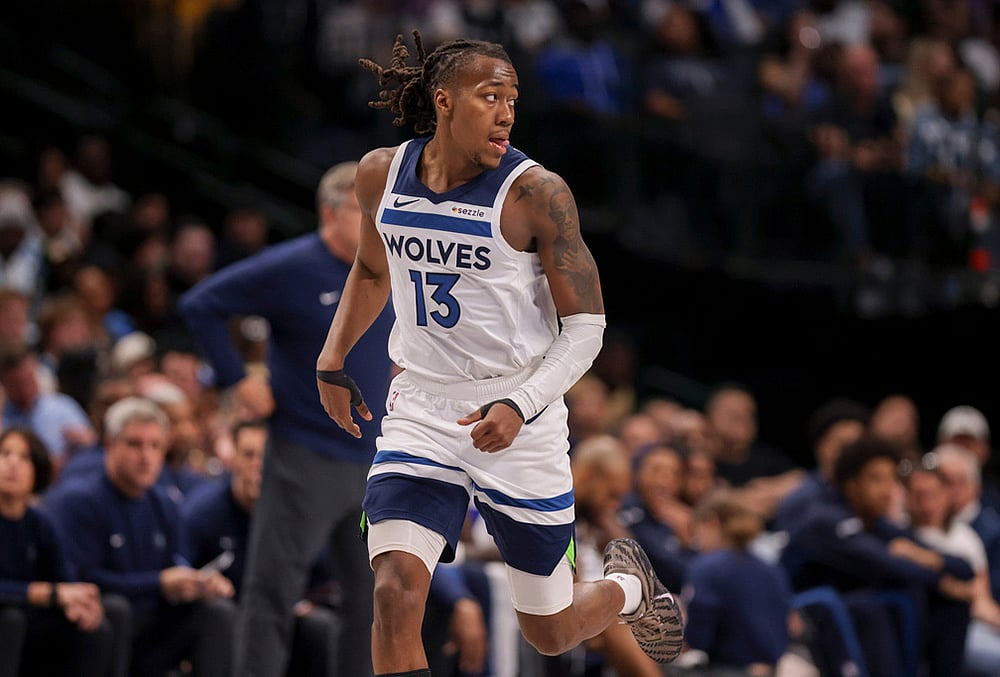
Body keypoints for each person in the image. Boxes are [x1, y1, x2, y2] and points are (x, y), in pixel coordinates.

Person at [315, 31, 683, 676]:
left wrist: (520, 402)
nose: (508, 111)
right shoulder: (381, 174)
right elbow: (372, 271)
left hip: (520, 415)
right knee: (395, 592)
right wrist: (332, 358)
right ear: (445, 101)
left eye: (513, 97)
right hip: (422, 406)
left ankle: (628, 588)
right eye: (491, 95)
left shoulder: (536, 193)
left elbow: (588, 327)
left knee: (550, 629)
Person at [180, 160, 394, 677]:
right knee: (273, 591)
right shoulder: (292, 265)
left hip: (370, 459)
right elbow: (201, 304)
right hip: (303, 454)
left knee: (371, 604)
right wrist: (238, 379)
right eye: (366, 208)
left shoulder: (388, 269)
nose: (377, 220)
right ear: (331, 211)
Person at [46, 396, 235, 677]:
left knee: (217, 611)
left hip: (151, 626)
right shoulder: (79, 500)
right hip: (95, 626)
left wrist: (195, 584)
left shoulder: (164, 503)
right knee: (117, 609)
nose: (146, 456)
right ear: (110, 444)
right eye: (135, 444)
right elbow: (82, 581)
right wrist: (159, 583)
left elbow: (171, 570)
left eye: (155, 446)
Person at [0, 427, 112, 677]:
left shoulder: (41, 522)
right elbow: (51, 591)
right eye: (5, 453)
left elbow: (64, 578)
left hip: (32, 622)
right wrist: (43, 593)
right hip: (8, 619)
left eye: (24, 457)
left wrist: (80, 602)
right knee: (10, 621)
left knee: (94, 625)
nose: (12, 463)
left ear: (37, 471)